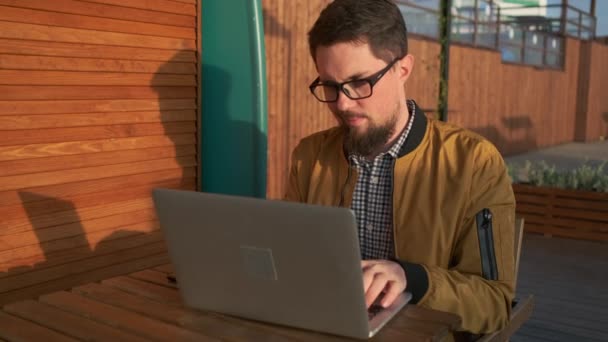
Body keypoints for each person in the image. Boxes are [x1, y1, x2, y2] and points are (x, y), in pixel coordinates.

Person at [284, 0, 516, 335]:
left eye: (360, 82)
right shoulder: (310, 156)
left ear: (403, 69)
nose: (343, 104)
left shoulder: (473, 162)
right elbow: (289, 256)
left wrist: (412, 279)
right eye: (330, 86)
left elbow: (494, 304)